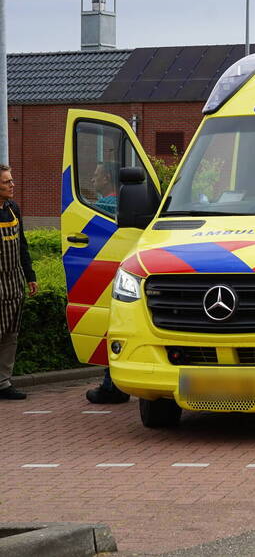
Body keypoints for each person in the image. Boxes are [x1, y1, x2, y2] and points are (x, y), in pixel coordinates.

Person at [85, 162, 130, 404]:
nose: (93, 180)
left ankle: (111, 385)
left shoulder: (104, 206)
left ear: (107, 179)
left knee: (109, 326)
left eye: (96, 175)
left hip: (107, 273)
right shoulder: (123, 204)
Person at [0, 166, 38, 400]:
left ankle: (3, 382)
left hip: (14, 282)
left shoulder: (13, 208)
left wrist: (30, 275)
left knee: (10, 335)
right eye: (6, 182)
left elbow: (21, 244)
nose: (12, 185)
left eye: (11, 180)